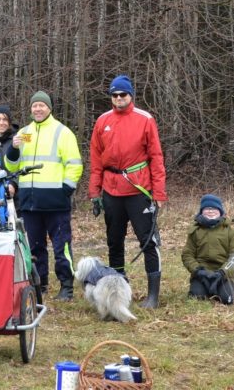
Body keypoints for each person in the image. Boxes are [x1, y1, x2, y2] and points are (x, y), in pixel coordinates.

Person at [88, 75, 167, 308]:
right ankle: (119, 290)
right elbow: (95, 159)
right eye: (114, 95)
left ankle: (153, 295)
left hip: (138, 189)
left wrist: (159, 193)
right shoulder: (103, 121)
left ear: (131, 95)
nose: (119, 99)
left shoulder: (145, 119)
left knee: (148, 241)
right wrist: (95, 191)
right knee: (114, 241)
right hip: (111, 190)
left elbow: (156, 157)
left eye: (123, 94)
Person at [6, 91, 83, 300]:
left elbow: (74, 165)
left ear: (49, 108)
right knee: (35, 247)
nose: (37, 109)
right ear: (30, 109)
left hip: (56, 203)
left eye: (41, 105)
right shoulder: (24, 133)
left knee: (61, 247)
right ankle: (40, 284)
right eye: (34, 106)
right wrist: (12, 149)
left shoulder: (62, 132)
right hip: (31, 203)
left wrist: (65, 190)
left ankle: (66, 286)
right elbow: (11, 166)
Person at [181, 194, 234, 305]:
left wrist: (223, 272)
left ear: (220, 211)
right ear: (201, 211)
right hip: (202, 274)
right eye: (207, 208)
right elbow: (187, 255)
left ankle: (225, 288)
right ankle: (202, 287)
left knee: (227, 300)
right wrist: (198, 271)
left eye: (214, 208)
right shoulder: (195, 231)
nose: (210, 211)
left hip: (223, 275)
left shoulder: (230, 231)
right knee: (196, 298)